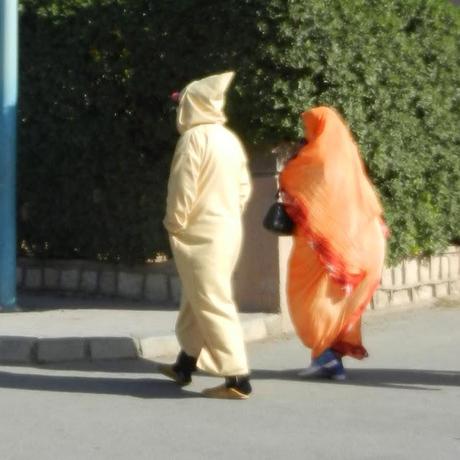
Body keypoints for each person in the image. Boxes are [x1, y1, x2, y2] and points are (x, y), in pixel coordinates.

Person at [158, 72, 253, 399]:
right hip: (226, 230)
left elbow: (181, 188)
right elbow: (243, 189)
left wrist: (174, 223)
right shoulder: (229, 139)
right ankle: (185, 363)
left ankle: (237, 378)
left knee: (212, 300)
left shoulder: (193, 139)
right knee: (197, 296)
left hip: (199, 233)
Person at [279, 106, 388, 380]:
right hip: (357, 245)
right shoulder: (347, 155)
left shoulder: (317, 159)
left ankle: (325, 355)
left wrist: (294, 161)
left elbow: (293, 182)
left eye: (310, 126)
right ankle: (329, 360)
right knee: (335, 301)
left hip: (323, 247)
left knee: (312, 300)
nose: (306, 131)